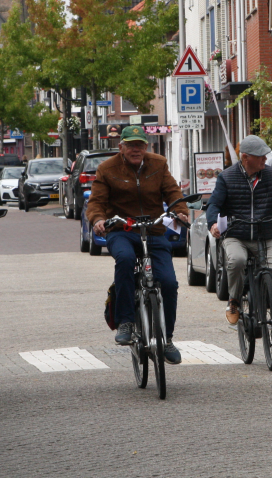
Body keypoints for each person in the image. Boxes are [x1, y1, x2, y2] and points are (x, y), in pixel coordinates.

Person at [87, 125, 189, 364]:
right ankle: (125, 322)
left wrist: (180, 210)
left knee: (169, 282)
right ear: (121, 147)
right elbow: (96, 201)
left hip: (153, 230)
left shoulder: (158, 164)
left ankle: (167, 338)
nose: (136, 149)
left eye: (140, 145)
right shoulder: (106, 168)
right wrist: (98, 219)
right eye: (131, 145)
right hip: (121, 230)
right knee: (125, 259)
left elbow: (172, 192)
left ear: (146, 146)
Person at [206, 135, 272, 345]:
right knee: (237, 260)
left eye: (265, 156)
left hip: (264, 235)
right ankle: (234, 300)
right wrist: (213, 223)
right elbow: (214, 204)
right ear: (246, 157)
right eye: (260, 156)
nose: (265, 160)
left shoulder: (271, 175)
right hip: (235, 234)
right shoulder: (227, 177)